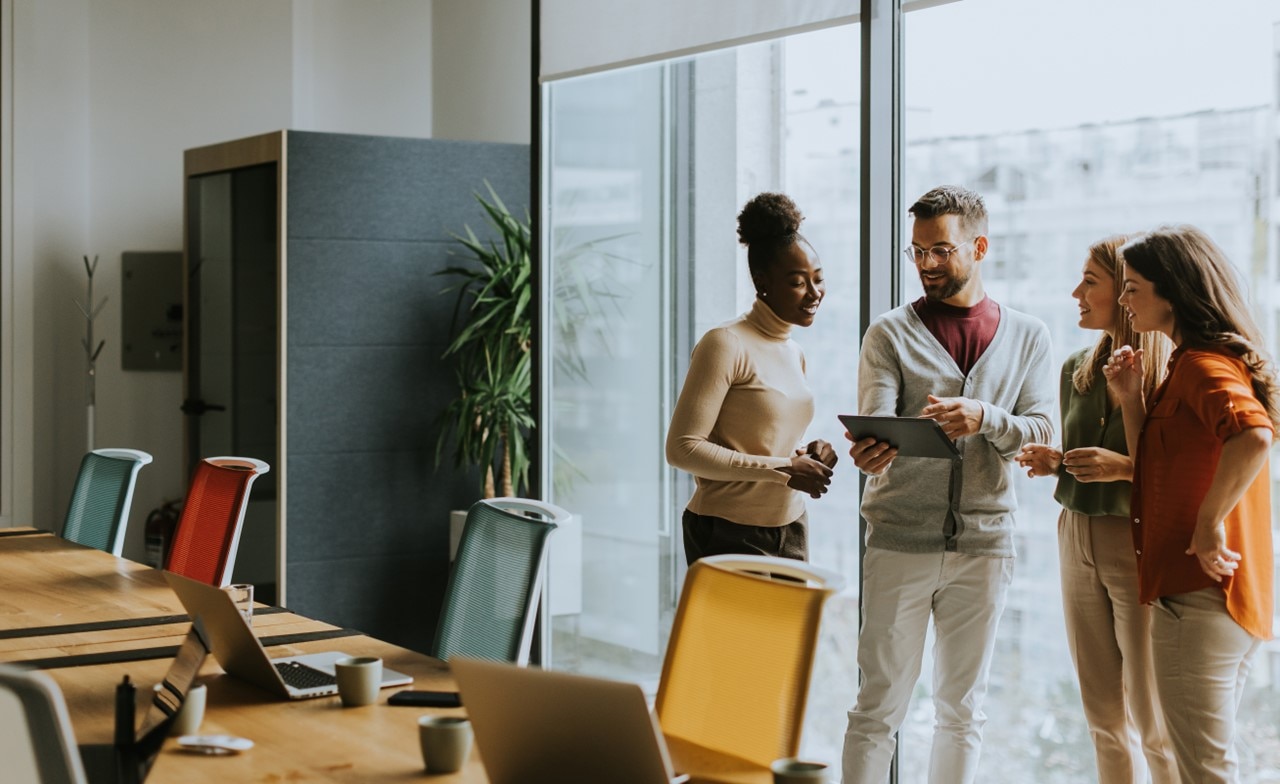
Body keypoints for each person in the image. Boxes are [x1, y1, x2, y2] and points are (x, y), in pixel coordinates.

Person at [841, 185, 1055, 784]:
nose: (926, 265)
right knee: (877, 708)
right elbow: (879, 422)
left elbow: (1040, 429)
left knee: (962, 710)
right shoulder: (888, 333)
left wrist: (984, 417)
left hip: (985, 546)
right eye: (917, 252)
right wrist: (872, 454)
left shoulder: (1029, 335)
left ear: (979, 246)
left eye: (940, 250)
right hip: (897, 542)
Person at [1103, 225, 1276, 784]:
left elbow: (1254, 435)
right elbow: (1153, 472)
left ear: (1172, 292)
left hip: (1198, 597)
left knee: (1202, 770)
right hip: (1213, 600)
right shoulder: (1190, 364)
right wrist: (1132, 402)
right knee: (1205, 763)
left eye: (1133, 289)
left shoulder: (1203, 365)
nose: (1125, 302)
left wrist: (1208, 525)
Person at [1015, 235, 1177, 784]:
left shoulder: (1166, 375)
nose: (1076, 292)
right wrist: (1056, 460)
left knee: (1153, 717)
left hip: (1132, 544)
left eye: (1090, 281)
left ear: (1125, 292)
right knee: (1102, 715)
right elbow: (1088, 458)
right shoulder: (1074, 371)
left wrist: (1123, 467)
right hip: (1074, 534)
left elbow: (1174, 472)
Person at [665, 192, 836, 564]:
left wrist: (806, 453)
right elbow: (682, 449)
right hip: (727, 530)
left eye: (818, 279)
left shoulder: (794, 352)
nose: (814, 293)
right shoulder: (724, 343)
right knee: (737, 628)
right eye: (797, 282)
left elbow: (766, 439)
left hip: (791, 527)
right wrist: (785, 469)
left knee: (790, 627)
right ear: (762, 283)